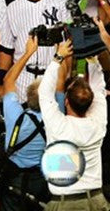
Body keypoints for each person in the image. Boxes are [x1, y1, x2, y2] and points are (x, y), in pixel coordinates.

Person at [0, 0, 94, 102]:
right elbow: (6, 49)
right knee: (24, 123)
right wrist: (0, 83)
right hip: (22, 78)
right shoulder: (12, 8)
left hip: (54, 76)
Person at [38, 33, 110, 210]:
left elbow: (44, 92)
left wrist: (58, 57)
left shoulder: (58, 126)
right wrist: (92, 59)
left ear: (66, 101)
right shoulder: (98, 124)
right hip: (95, 201)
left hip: (64, 204)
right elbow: (99, 89)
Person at [0, 35, 65, 210]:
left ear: (27, 98)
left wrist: (29, 52)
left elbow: (8, 81)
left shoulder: (16, 116)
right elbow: (60, 82)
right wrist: (59, 53)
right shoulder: (55, 116)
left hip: (14, 178)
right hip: (42, 181)